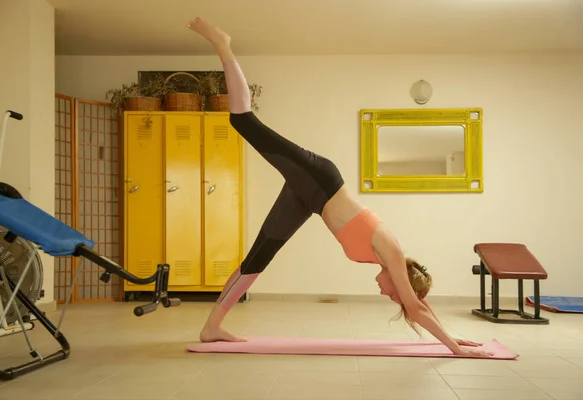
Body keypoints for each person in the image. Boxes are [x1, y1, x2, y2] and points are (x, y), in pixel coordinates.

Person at [187, 17, 492, 357]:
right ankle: (222, 43)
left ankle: (212, 326)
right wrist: (455, 350)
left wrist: (452, 335)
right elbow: (416, 307)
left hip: (309, 201)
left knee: (259, 258)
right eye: (392, 293)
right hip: (320, 179)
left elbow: (417, 305)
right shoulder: (391, 250)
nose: (384, 294)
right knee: (242, 120)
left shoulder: (388, 261)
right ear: (401, 277)